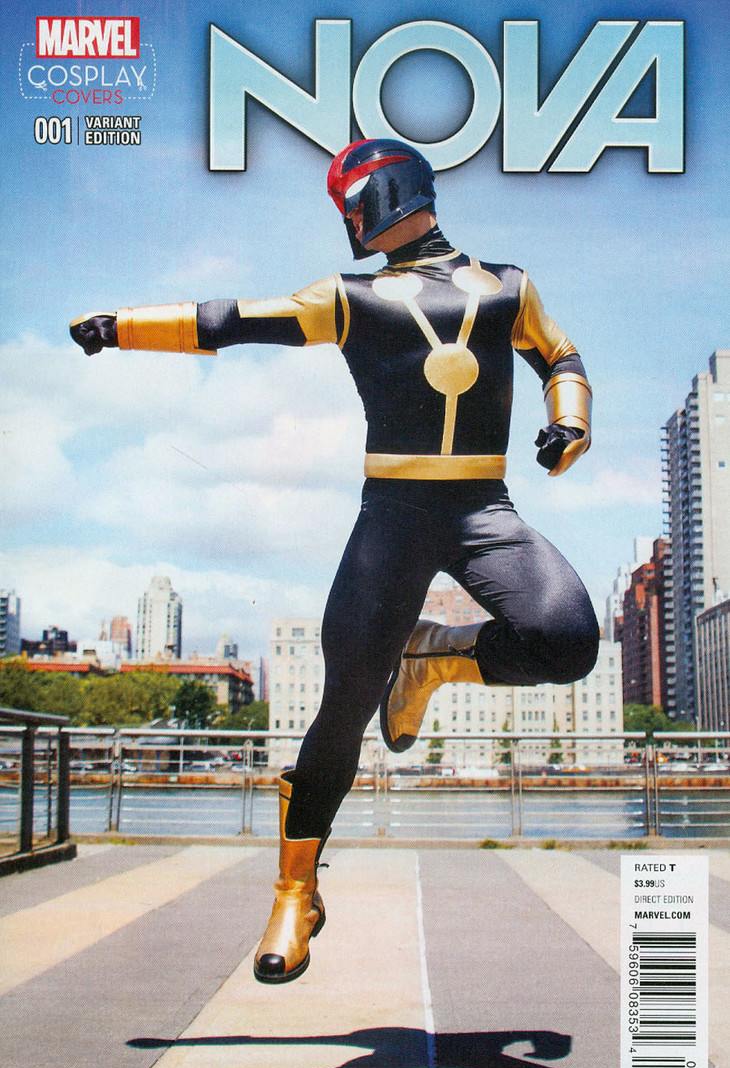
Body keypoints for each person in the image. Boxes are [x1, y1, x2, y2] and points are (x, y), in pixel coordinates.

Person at [70, 138, 599, 985]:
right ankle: (294, 890)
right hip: (392, 517)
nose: (349, 222)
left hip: (482, 509)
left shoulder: (510, 286)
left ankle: (432, 660)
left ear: (383, 193)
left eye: (351, 204)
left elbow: (560, 354)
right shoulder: (351, 298)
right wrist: (124, 327)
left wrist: (570, 422)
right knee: (343, 707)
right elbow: (236, 320)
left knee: (566, 638)